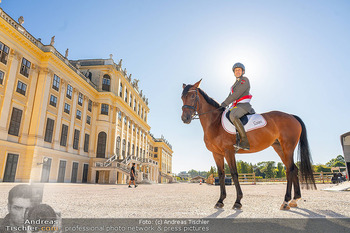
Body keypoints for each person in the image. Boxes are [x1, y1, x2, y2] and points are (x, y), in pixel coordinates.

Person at [221, 62, 255, 150]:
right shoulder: (233, 85)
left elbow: (237, 94)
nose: (237, 72)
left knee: (233, 115)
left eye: (239, 70)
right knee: (226, 114)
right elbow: (230, 96)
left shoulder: (245, 80)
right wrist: (221, 105)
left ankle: (244, 142)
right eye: (236, 70)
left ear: (243, 72)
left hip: (244, 106)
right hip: (236, 106)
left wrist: (225, 103)